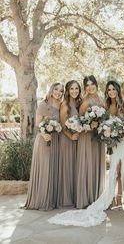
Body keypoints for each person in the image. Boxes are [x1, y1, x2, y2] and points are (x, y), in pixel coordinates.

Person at [25, 82, 64, 210]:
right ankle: (41, 201)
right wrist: (44, 134)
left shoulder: (60, 105)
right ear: (51, 90)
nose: (58, 92)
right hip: (44, 140)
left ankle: (51, 200)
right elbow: (38, 124)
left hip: (56, 141)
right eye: (56, 89)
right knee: (45, 168)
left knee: (53, 168)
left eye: (61, 91)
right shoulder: (44, 104)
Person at [75, 75, 105, 208]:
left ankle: (97, 196)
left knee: (96, 163)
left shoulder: (101, 100)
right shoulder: (85, 102)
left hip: (98, 138)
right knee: (87, 164)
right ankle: (86, 197)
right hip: (87, 137)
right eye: (87, 85)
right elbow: (79, 122)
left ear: (96, 85)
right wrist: (89, 125)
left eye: (92, 84)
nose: (90, 87)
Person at [105, 80, 124, 207]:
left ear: (118, 90)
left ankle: (120, 197)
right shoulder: (107, 105)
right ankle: (110, 197)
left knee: (122, 170)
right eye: (109, 90)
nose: (111, 92)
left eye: (114, 89)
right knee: (113, 170)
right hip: (112, 142)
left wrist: (123, 130)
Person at [57, 80, 81, 208]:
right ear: (67, 90)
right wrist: (71, 136)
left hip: (77, 140)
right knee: (67, 167)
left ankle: (74, 196)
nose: (74, 91)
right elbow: (62, 125)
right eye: (71, 89)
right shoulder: (65, 105)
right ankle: (66, 198)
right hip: (67, 140)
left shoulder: (78, 103)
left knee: (75, 167)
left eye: (76, 88)